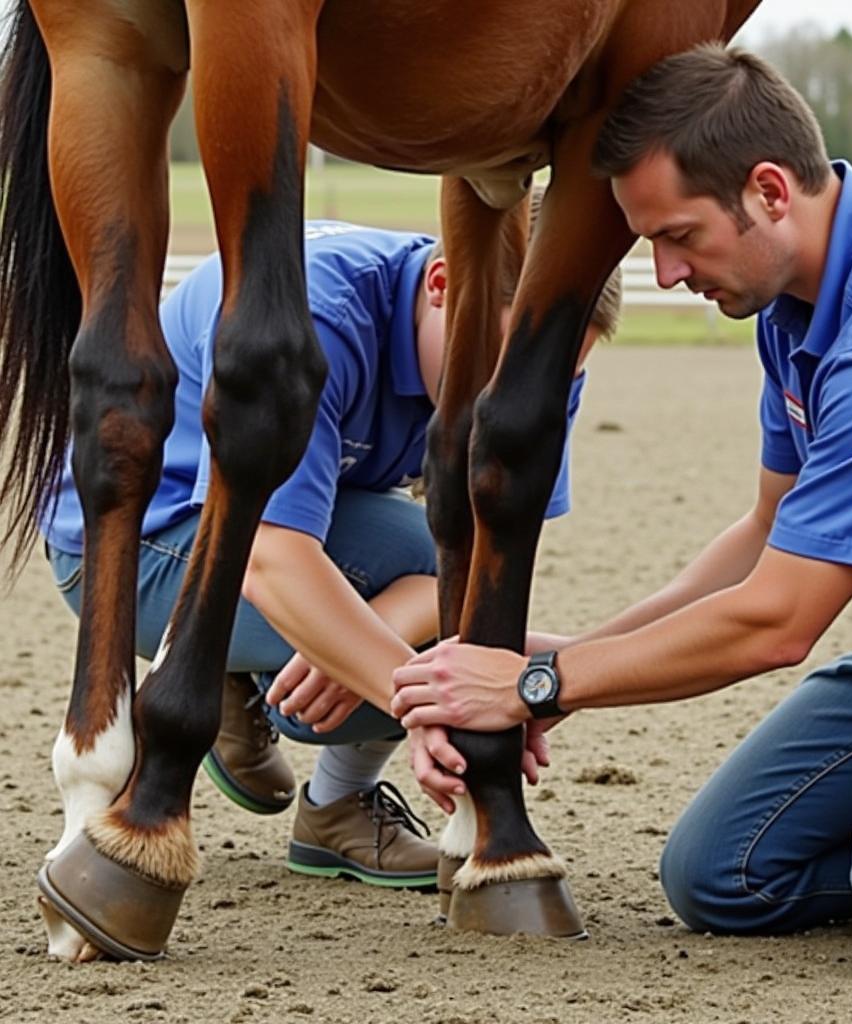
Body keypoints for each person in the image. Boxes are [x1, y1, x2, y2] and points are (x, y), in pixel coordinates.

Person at [390, 43, 852, 949]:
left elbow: (778, 622)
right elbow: (765, 530)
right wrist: (575, 664)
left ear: (770, 190)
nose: (671, 273)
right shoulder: (799, 296)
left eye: (680, 235)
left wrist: (535, 683)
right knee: (722, 877)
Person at [43, 208, 623, 888]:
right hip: (143, 545)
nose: (523, 400)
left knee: (446, 595)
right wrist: (428, 702)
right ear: (441, 284)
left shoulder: (539, 368)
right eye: (503, 370)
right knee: (423, 579)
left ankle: (327, 799)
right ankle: (222, 674)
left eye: (560, 379)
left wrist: (404, 639)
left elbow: (495, 560)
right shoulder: (323, 315)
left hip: (296, 533)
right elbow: (266, 552)